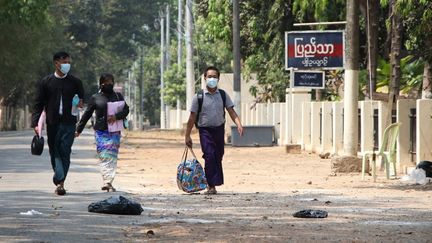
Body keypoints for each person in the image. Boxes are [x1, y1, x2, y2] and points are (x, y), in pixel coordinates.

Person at [31, 51, 84, 196]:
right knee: (54, 150)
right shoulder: (46, 82)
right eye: (64, 62)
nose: (67, 65)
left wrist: (78, 103)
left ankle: (60, 181)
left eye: (68, 62)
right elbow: (38, 104)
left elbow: (81, 103)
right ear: (56, 63)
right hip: (52, 122)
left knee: (65, 150)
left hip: (69, 122)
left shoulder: (75, 82)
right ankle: (60, 178)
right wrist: (36, 123)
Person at [184, 66, 243, 195]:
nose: (212, 79)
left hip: (219, 130)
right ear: (205, 78)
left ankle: (214, 182)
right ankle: (211, 185)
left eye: (214, 77)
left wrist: (238, 123)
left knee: (218, 155)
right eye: (209, 76)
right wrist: (187, 136)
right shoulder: (198, 96)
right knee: (209, 155)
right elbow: (192, 117)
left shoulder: (222, 95)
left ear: (218, 79)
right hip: (205, 131)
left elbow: (231, 111)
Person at [75, 73, 129, 192]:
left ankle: (109, 181)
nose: (109, 84)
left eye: (111, 82)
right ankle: (106, 180)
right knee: (104, 155)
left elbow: (126, 109)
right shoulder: (95, 98)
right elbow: (86, 114)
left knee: (112, 156)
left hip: (114, 131)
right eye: (106, 82)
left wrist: (116, 116)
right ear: (101, 84)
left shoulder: (118, 96)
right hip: (101, 131)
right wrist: (79, 129)